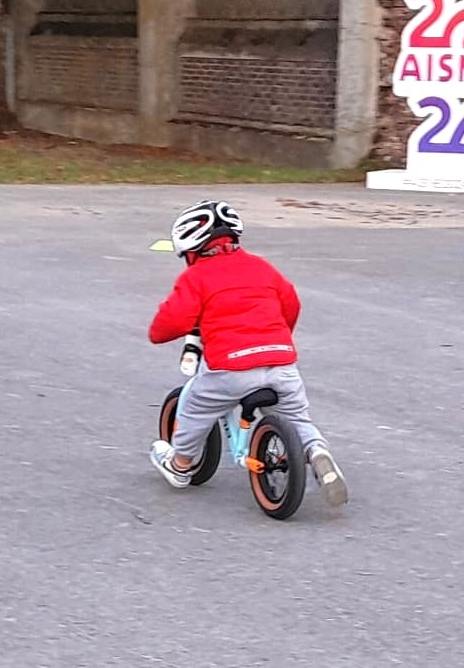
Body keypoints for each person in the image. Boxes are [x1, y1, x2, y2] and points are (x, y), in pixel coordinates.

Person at [148, 199, 348, 507]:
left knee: (196, 407)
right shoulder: (262, 267)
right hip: (280, 363)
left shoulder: (196, 277)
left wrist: (159, 332)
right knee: (296, 417)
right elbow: (291, 304)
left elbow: (169, 323)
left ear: (191, 249)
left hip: (231, 369)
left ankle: (181, 464)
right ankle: (317, 451)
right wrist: (276, 340)